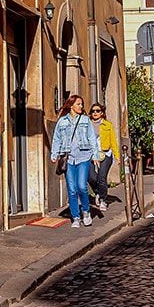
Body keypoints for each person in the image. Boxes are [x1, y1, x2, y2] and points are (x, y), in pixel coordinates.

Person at [51, 94, 101, 226]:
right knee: (72, 189)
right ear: (71, 105)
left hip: (83, 157)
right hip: (69, 159)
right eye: (79, 104)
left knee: (81, 187)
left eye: (81, 104)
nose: (81, 106)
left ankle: (86, 211)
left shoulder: (85, 120)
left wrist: (95, 155)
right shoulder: (62, 121)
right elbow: (57, 138)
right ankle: (76, 217)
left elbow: (91, 138)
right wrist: (54, 153)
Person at [90, 102, 118, 213]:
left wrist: (117, 156)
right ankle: (97, 191)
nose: (95, 113)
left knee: (102, 177)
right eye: (93, 111)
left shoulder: (107, 125)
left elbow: (113, 141)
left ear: (102, 113)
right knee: (91, 177)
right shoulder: (87, 124)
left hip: (105, 154)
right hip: (91, 155)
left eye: (97, 111)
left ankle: (102, 200)